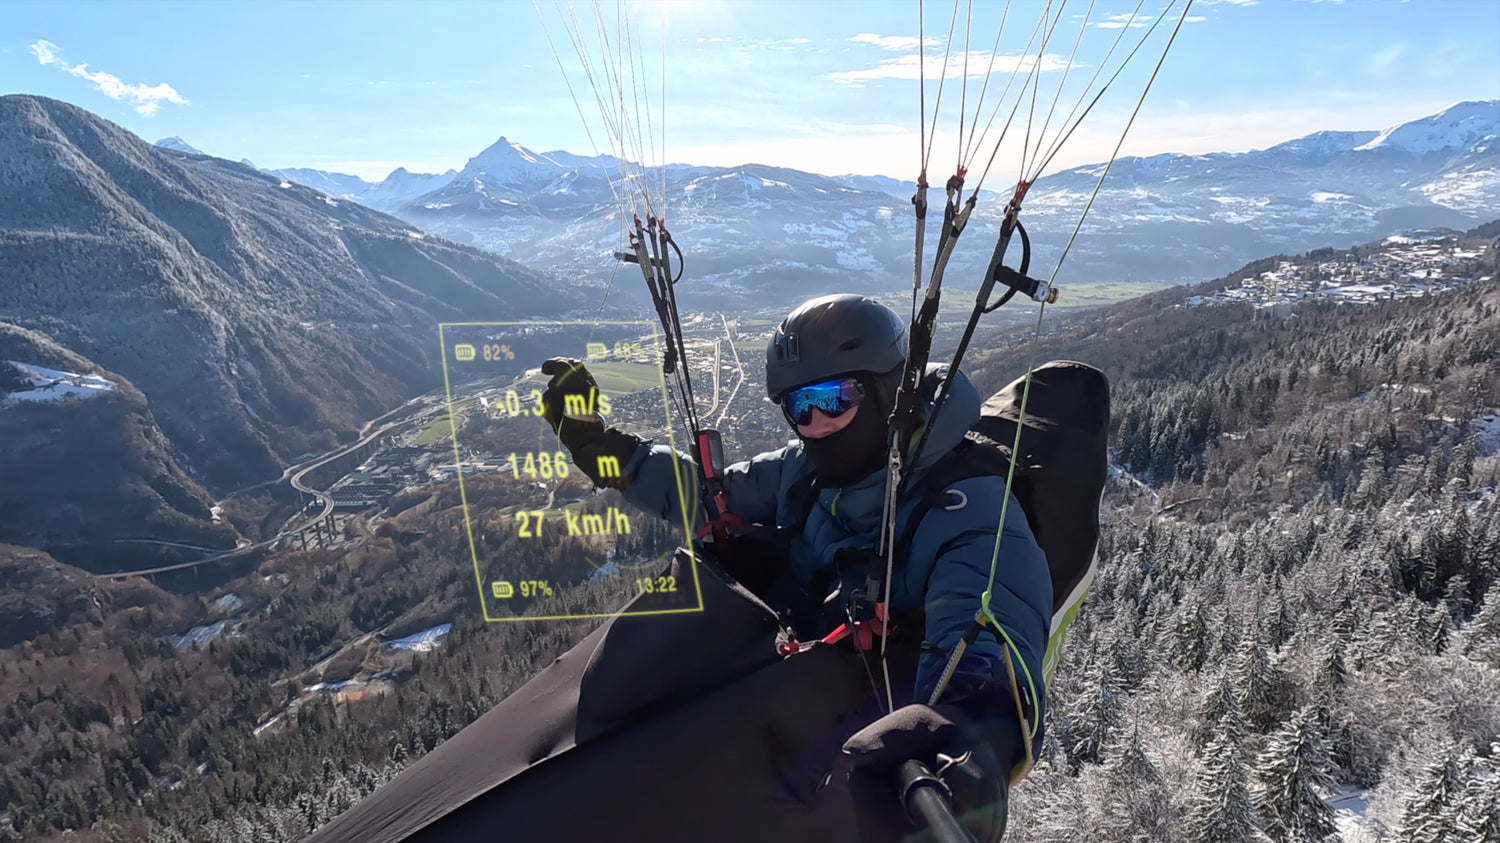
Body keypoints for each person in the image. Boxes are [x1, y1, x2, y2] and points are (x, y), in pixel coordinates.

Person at [541, 293, 1052, 842]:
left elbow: (985, 649)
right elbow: (707, 496)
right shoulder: (803, 472)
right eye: (798, 406)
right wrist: (601, 448)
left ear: (889, 392)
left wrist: (960, 746)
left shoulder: (968, 510)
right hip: (781, 690)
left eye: (834, 398)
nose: (816, 424)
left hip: (852, 736)